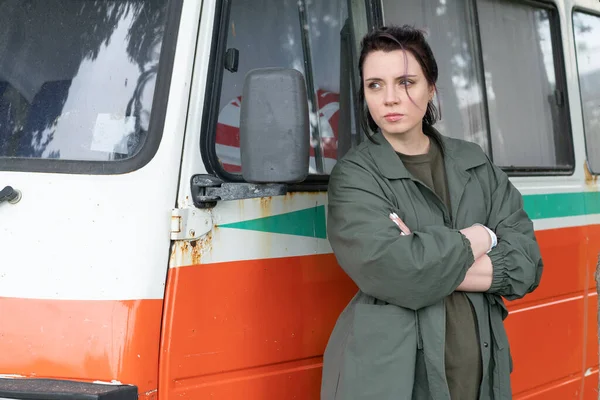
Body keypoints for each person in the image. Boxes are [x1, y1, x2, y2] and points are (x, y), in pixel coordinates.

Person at [321, 25, 543, 400]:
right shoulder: (354, 176)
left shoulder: (474, 163)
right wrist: (482, 237)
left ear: (431, 88)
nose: (390, 98)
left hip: (480, 382)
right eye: (375, 85)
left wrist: (425, 258)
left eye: (406, 82)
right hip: (390, 384)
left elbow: (527, 264)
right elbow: (397, 272)